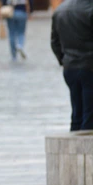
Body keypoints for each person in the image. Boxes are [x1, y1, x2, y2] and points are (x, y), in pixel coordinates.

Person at [52, 0, 93, 132]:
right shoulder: (90, 9)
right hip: (89, 66)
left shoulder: (60, 10)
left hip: (70, 68)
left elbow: (54, 42)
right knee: (89, 114)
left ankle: (73, 147)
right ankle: (86, 150)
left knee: (77, 112)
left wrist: (64, 61)